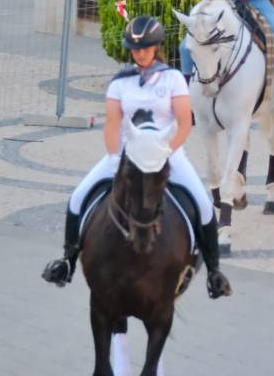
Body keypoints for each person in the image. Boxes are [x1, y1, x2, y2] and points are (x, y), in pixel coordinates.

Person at [43, 16, 218, 286]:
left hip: (167, 154)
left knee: (205, 207)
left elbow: (184, 123)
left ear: (156, 47)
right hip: (125, 155)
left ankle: (215, 273)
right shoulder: (120, 82)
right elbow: (112, 124)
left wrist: (166, 151)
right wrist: (115, 156)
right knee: (77, 198)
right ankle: (67, 261)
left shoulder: (172, 79)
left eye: (145, 48)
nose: (139, 53)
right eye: (135, 49)